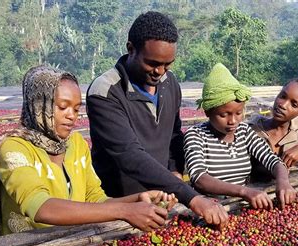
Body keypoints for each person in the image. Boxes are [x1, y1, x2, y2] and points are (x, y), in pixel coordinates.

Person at [0, 66, 177, 238]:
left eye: (77, 109)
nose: (71, 116)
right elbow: (41, 207)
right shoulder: (14, 148)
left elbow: (95, 198)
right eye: (62, 107)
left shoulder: (76, 144)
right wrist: (126, 211)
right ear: (38, 104)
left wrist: (138, 199)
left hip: (73, 243)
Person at [86, 11, 228, 227]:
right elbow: (129, 155)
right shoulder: (105, 92)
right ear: (131, 49)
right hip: (120, 206)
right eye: (152, 63)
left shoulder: (169, 83)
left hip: (162, 201)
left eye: (167, 65)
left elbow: (173, 134)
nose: (159, 72)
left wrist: (175, 172)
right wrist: (191, 197)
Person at [184, 63, 296, 209]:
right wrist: (243, 191)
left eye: (238, 113)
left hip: (240, 205)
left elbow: (272, 159)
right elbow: (199, 178)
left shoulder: (244, 131)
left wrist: (283, 181)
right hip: (209, 208)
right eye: (224, 115)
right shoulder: (196, 135)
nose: (233, 121)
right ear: (207, 112)